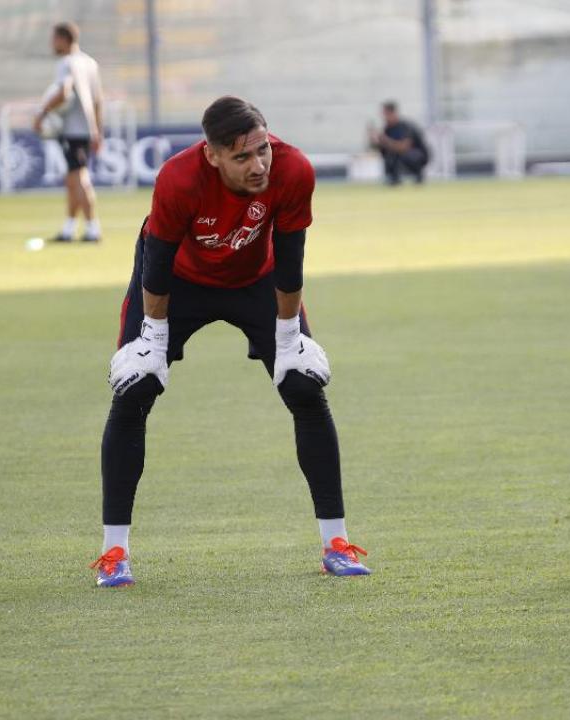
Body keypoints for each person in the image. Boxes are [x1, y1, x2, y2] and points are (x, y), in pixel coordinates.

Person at [90, 96, 371, 587]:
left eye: (262, 149)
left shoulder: (294, 170)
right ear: (212, 154)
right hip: (177, 281)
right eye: (242, 157)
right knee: (134, 390)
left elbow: (290, 257)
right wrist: (153, 339)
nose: (258, 164)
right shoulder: (179, 179)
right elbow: (155, 262)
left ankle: (337, 544)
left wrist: (288, 337)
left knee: (304, 387)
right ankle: (114, 553)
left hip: (256, 279)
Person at [33, 22, 103, 243]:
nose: (52, 43)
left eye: (54, 38)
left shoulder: (66, 63)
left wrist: (42, 112)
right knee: (72, 179)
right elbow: (98, 100)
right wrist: (97, 131)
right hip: (86, 129)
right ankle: (68, 229)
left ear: (64, 39)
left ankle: (93, 228)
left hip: (73, 129)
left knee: (79, 177)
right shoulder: (90, 63)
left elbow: (63, 92)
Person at [368, 100, 429, 185]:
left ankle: (418, 175)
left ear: (392, 113)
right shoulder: (388, 128)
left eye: (385, 114)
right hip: (400, 156)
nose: (383, 117)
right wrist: (375, 141)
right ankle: (394, 178)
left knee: (401, 154)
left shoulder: (405, 126)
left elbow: (404, 147)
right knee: (387, 152)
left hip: (418, 155)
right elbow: (380, 148)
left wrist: (384, 140)